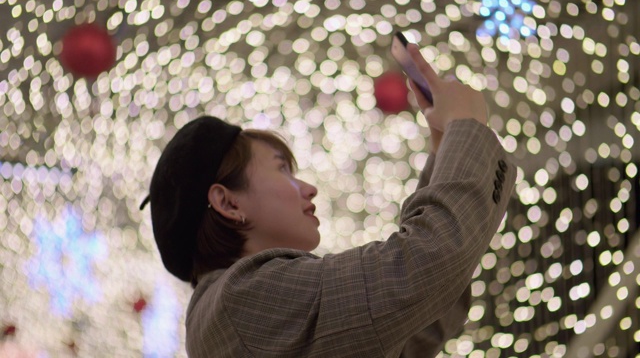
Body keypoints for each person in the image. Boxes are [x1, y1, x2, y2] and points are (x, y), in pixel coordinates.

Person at [141, 44, 516, 357]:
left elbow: (420, 328)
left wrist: (444, 152)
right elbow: (421, 267)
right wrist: (465, 125)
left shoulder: (226, 311)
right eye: (282, 169)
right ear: (228, 203)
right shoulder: (238, 301)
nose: (308, 188)